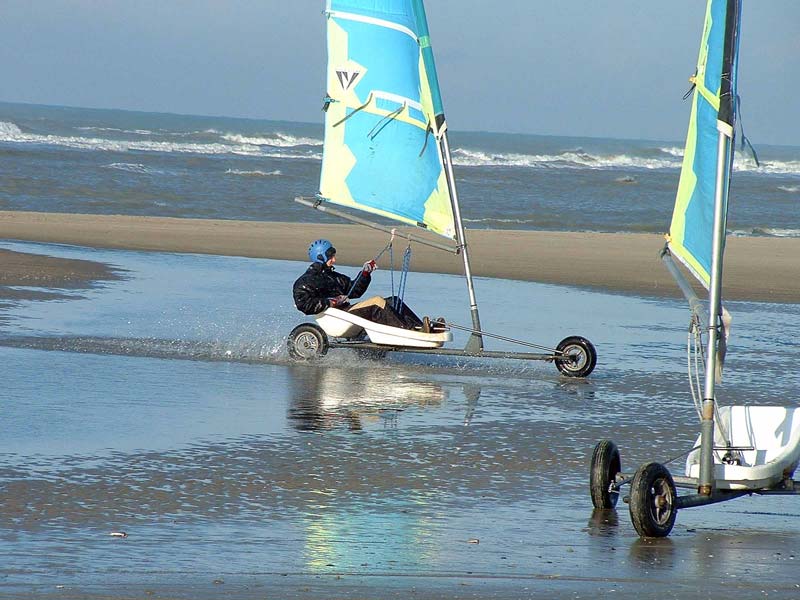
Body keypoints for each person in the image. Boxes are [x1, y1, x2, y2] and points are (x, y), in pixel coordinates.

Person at [292, 238, 429, 331]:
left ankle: (419, 327)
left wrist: (365, 273)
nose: (334, 259)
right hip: (339, 318)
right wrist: (331, 302)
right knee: (377, 302)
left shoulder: (333, 277)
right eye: (331, 256)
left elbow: (355, 291)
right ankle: (407, 331)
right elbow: (303, 304)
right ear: (320, 257)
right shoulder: (306, 281)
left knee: (393, 300)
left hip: (347, 312)